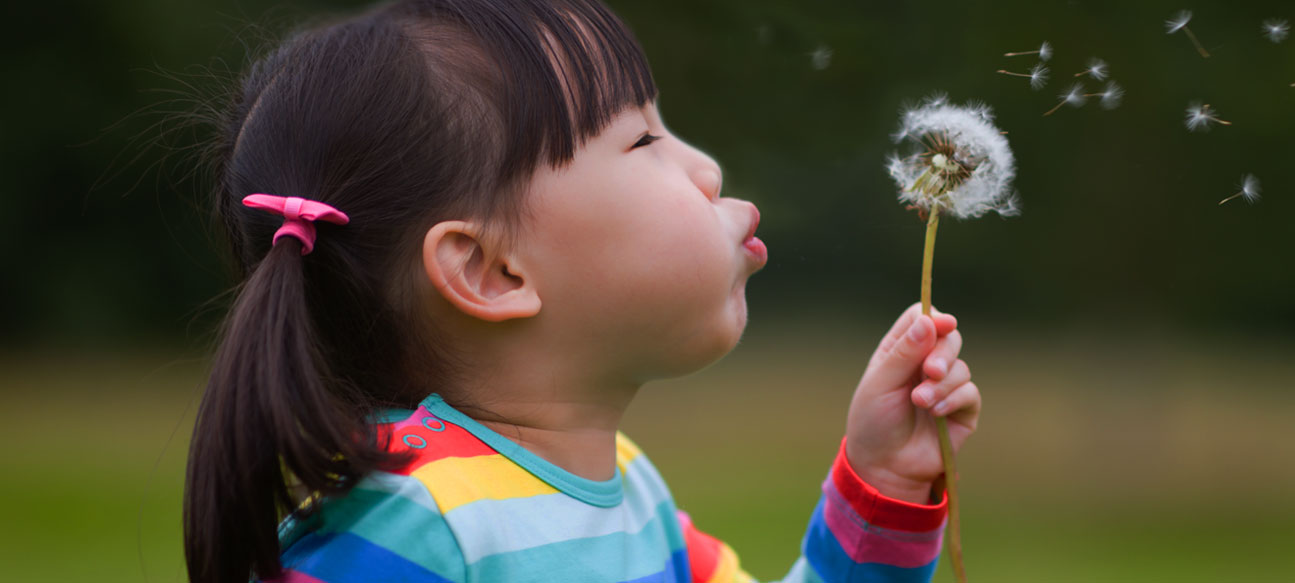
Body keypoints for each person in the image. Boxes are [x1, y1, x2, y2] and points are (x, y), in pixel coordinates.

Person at [182, 1, 981, 581]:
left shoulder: (634, 495)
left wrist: (883, 482)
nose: (705, 169)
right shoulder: (413, 527)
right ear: (492, 272)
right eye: (644, 140)